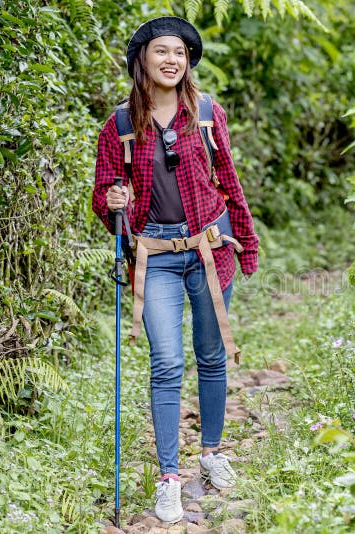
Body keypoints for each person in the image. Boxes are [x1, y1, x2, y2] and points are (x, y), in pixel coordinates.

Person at [91, 16, 259, 523]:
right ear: (142, 59)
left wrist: (246, 242)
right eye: (162, 51)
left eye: (180, 53)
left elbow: (228, 179)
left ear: (188, 63)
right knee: (165, 364)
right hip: (154, 256)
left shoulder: (208, 114)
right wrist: (111, 199)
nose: (172, 60)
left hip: (209, 248)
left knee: (211, 356)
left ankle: (210, 454)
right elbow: (104, 196)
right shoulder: (119, 125)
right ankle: (169, 478)